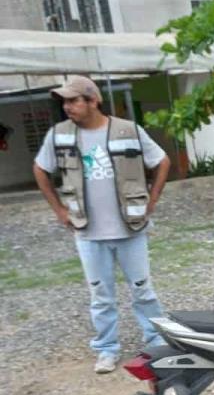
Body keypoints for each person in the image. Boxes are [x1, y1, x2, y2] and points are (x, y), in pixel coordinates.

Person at [33, 76, 171, 374]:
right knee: (100, 295)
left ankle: (156, 340)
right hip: (88, 233)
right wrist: (58, 209)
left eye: (73, 100)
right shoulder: (59, 135)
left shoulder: (127, 130)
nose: (67, 107)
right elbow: (41, 169)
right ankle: (107, 349)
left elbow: (161, 161)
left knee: (143, 290)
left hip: (130, 229)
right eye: (65, 102)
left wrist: (153, 200)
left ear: (93, 100)